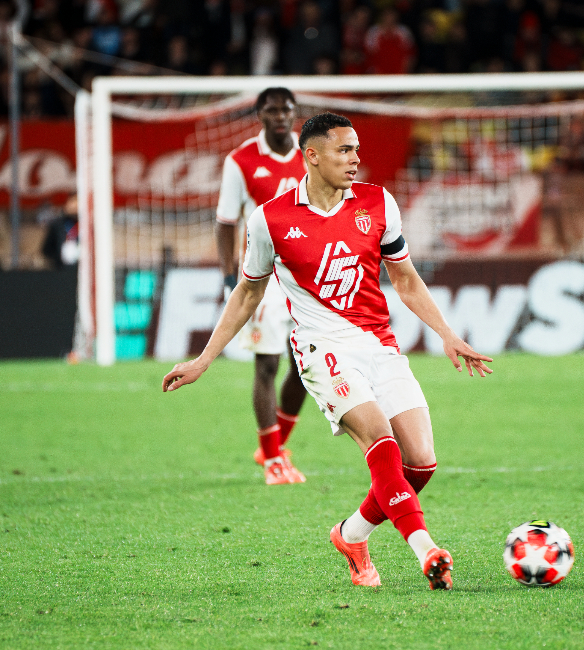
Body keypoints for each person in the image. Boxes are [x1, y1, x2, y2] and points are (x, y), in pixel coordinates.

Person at [164, 112, 493, 591]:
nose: (356, 159)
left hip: (380, 345)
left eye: (357, 149)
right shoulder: (270, 219)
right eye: (344, 150)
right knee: (381, 444)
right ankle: (427, 550)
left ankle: (350, 535)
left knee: (420, 462)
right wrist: (204, 359)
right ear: (312, 155)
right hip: (322, 350)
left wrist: (446, 333)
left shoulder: (379, 203)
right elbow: (247, 293)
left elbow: (404, 279)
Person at [215, 87, 309, 486]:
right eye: (272, 110)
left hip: (307, 272)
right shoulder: (240, 160)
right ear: (259, 115)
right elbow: (225, 221)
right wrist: (228, 276)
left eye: (286, 109)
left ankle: (273, 446)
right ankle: (273, 461)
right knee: (268, 362)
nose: (281, 116)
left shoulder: (312, 153)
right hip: (263, 274)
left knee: (307, 366)